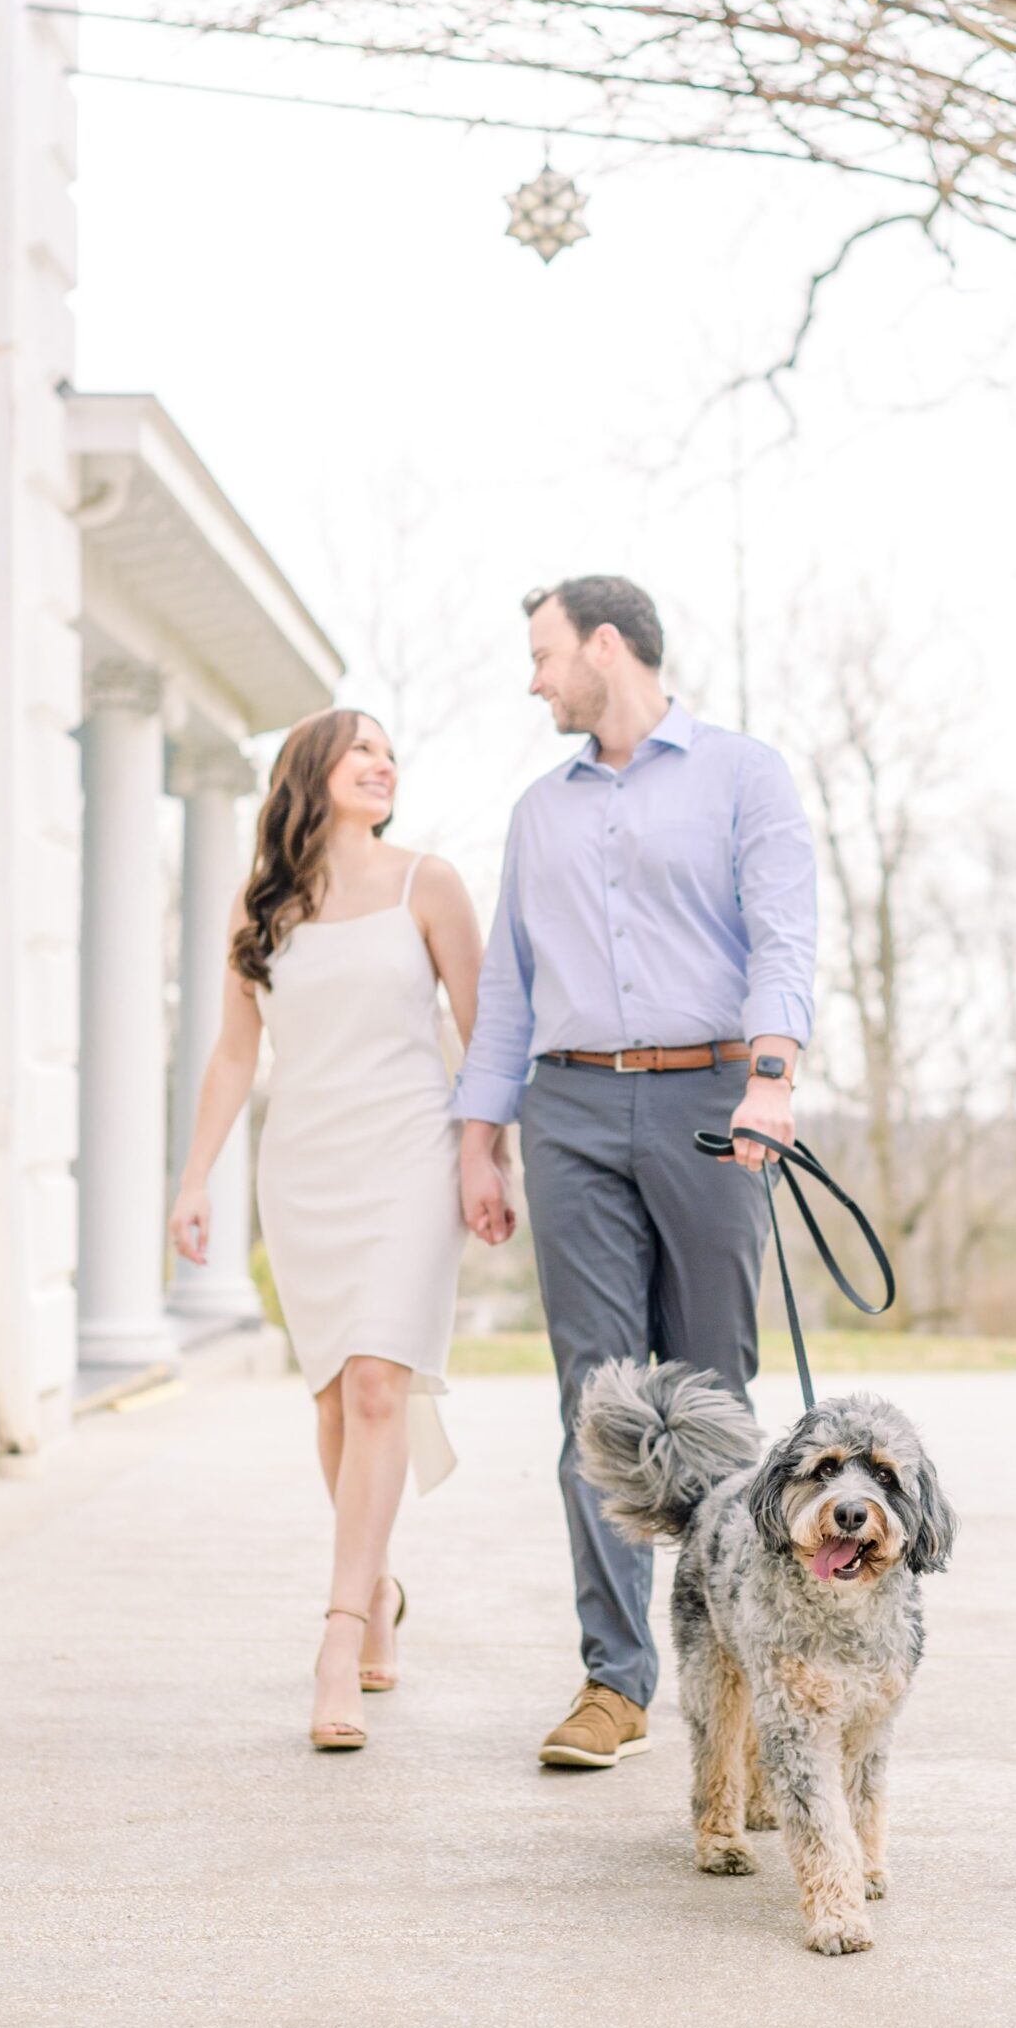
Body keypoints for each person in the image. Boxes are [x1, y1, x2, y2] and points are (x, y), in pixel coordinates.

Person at [457, 575, 817, 1771]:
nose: (535, 678)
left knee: (713, 1389)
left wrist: (770, 1073)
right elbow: (509, 980)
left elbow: (782, 929)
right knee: (595, 1401)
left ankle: (745, 1666)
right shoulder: (535, 812)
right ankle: (613, 1680)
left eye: (545, 653)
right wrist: (481, 1134)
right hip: (566, 1104)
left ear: (606, 646)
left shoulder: (739, 772)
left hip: (708, 1094)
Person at [168, 708, 491, 1753]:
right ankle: (379, 1580)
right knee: (331, 1411)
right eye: (362, 748)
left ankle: (338, 1636)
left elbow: (488, 1034)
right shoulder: (259, 905)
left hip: (409, 1154)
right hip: (302, 1167)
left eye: (391, 752)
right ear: (310, 770)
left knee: (375, 1385)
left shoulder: (426, 883)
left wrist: (494, 1156)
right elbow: (231, 1055)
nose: (382, 763)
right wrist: (193, 1180)